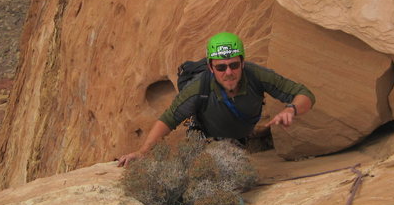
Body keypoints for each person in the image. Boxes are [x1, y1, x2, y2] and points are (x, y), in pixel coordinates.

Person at [118, 32, 314, 166]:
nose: (229, 72)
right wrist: (143, 152)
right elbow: (168, 119)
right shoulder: (198, 87)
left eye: (234, 65)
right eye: (221, 67)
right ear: (211, 68)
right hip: (208, 136)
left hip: (241, 132)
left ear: (242, 63)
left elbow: (305, 94)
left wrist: (291, 109)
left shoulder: (256, 75)